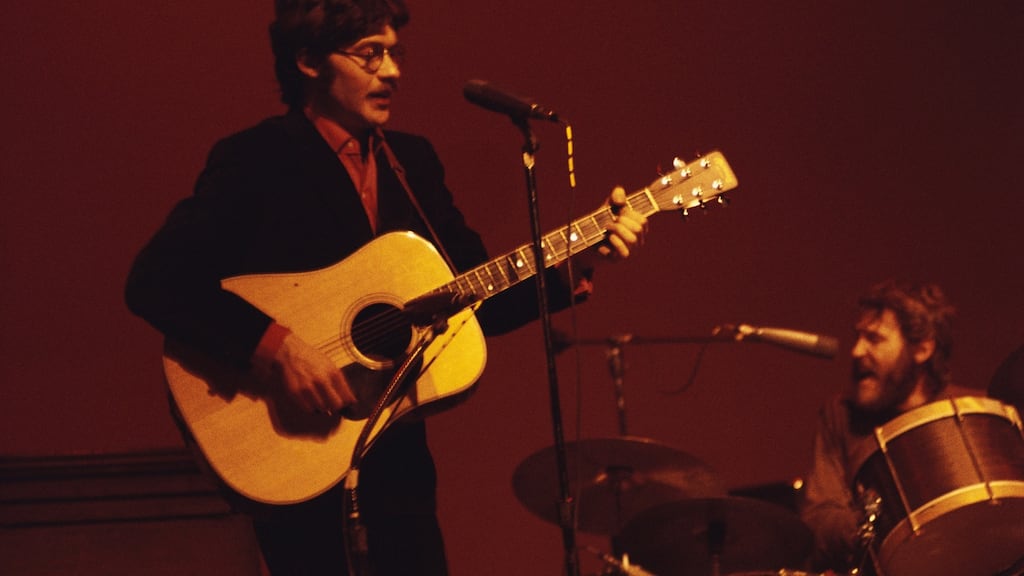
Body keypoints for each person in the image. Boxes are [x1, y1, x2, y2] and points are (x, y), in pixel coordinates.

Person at [124, 1, 647, 574]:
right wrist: (278, 348)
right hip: (298, 454)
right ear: (307, 61)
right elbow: (157, 279)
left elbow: (476, 299)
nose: (392, 71)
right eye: (371, 54)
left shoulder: (413, 163)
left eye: (395, 54)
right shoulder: (257, 159)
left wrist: (576, 260)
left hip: (400, 476)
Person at [798, 280, 975, 573]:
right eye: (858, 337)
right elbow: (818, 520)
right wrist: (881, 523)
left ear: (922, 349)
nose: (856, 351)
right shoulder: (841, 416)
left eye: (874, 338)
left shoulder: (972, 412)